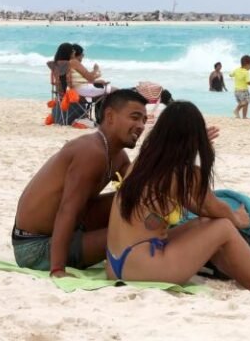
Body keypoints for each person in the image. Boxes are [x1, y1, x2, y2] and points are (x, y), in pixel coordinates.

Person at [106, 101, 250, 291]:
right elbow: (215, 207)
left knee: (203, 223)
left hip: (117, 264)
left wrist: (194, 147)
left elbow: (198, 207)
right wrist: (239, 219)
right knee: (224, 226)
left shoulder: (144, 162)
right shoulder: (182, 172)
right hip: (144, 268)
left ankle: (245, 276)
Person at [12, 89, 148, 275]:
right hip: (35, 247)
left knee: (132, 200)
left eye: (144, 120)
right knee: (134, 234)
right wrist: (58, 269)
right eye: (135, 117)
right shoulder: (91, 152)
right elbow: (67, 210)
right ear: (110, 116)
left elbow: (141, 194)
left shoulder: (118, 157)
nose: (141, 126)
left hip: (68, 227)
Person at [230, 55, 250, 119]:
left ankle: (244, 116)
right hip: (243, 90)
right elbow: (248, 82)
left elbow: (231, 74)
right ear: (247, 64)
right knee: (245, 102)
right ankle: (236, 110)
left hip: (236, 91)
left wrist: (235, 76)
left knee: (245, 104)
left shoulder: (236, 70)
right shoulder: (246, 72)